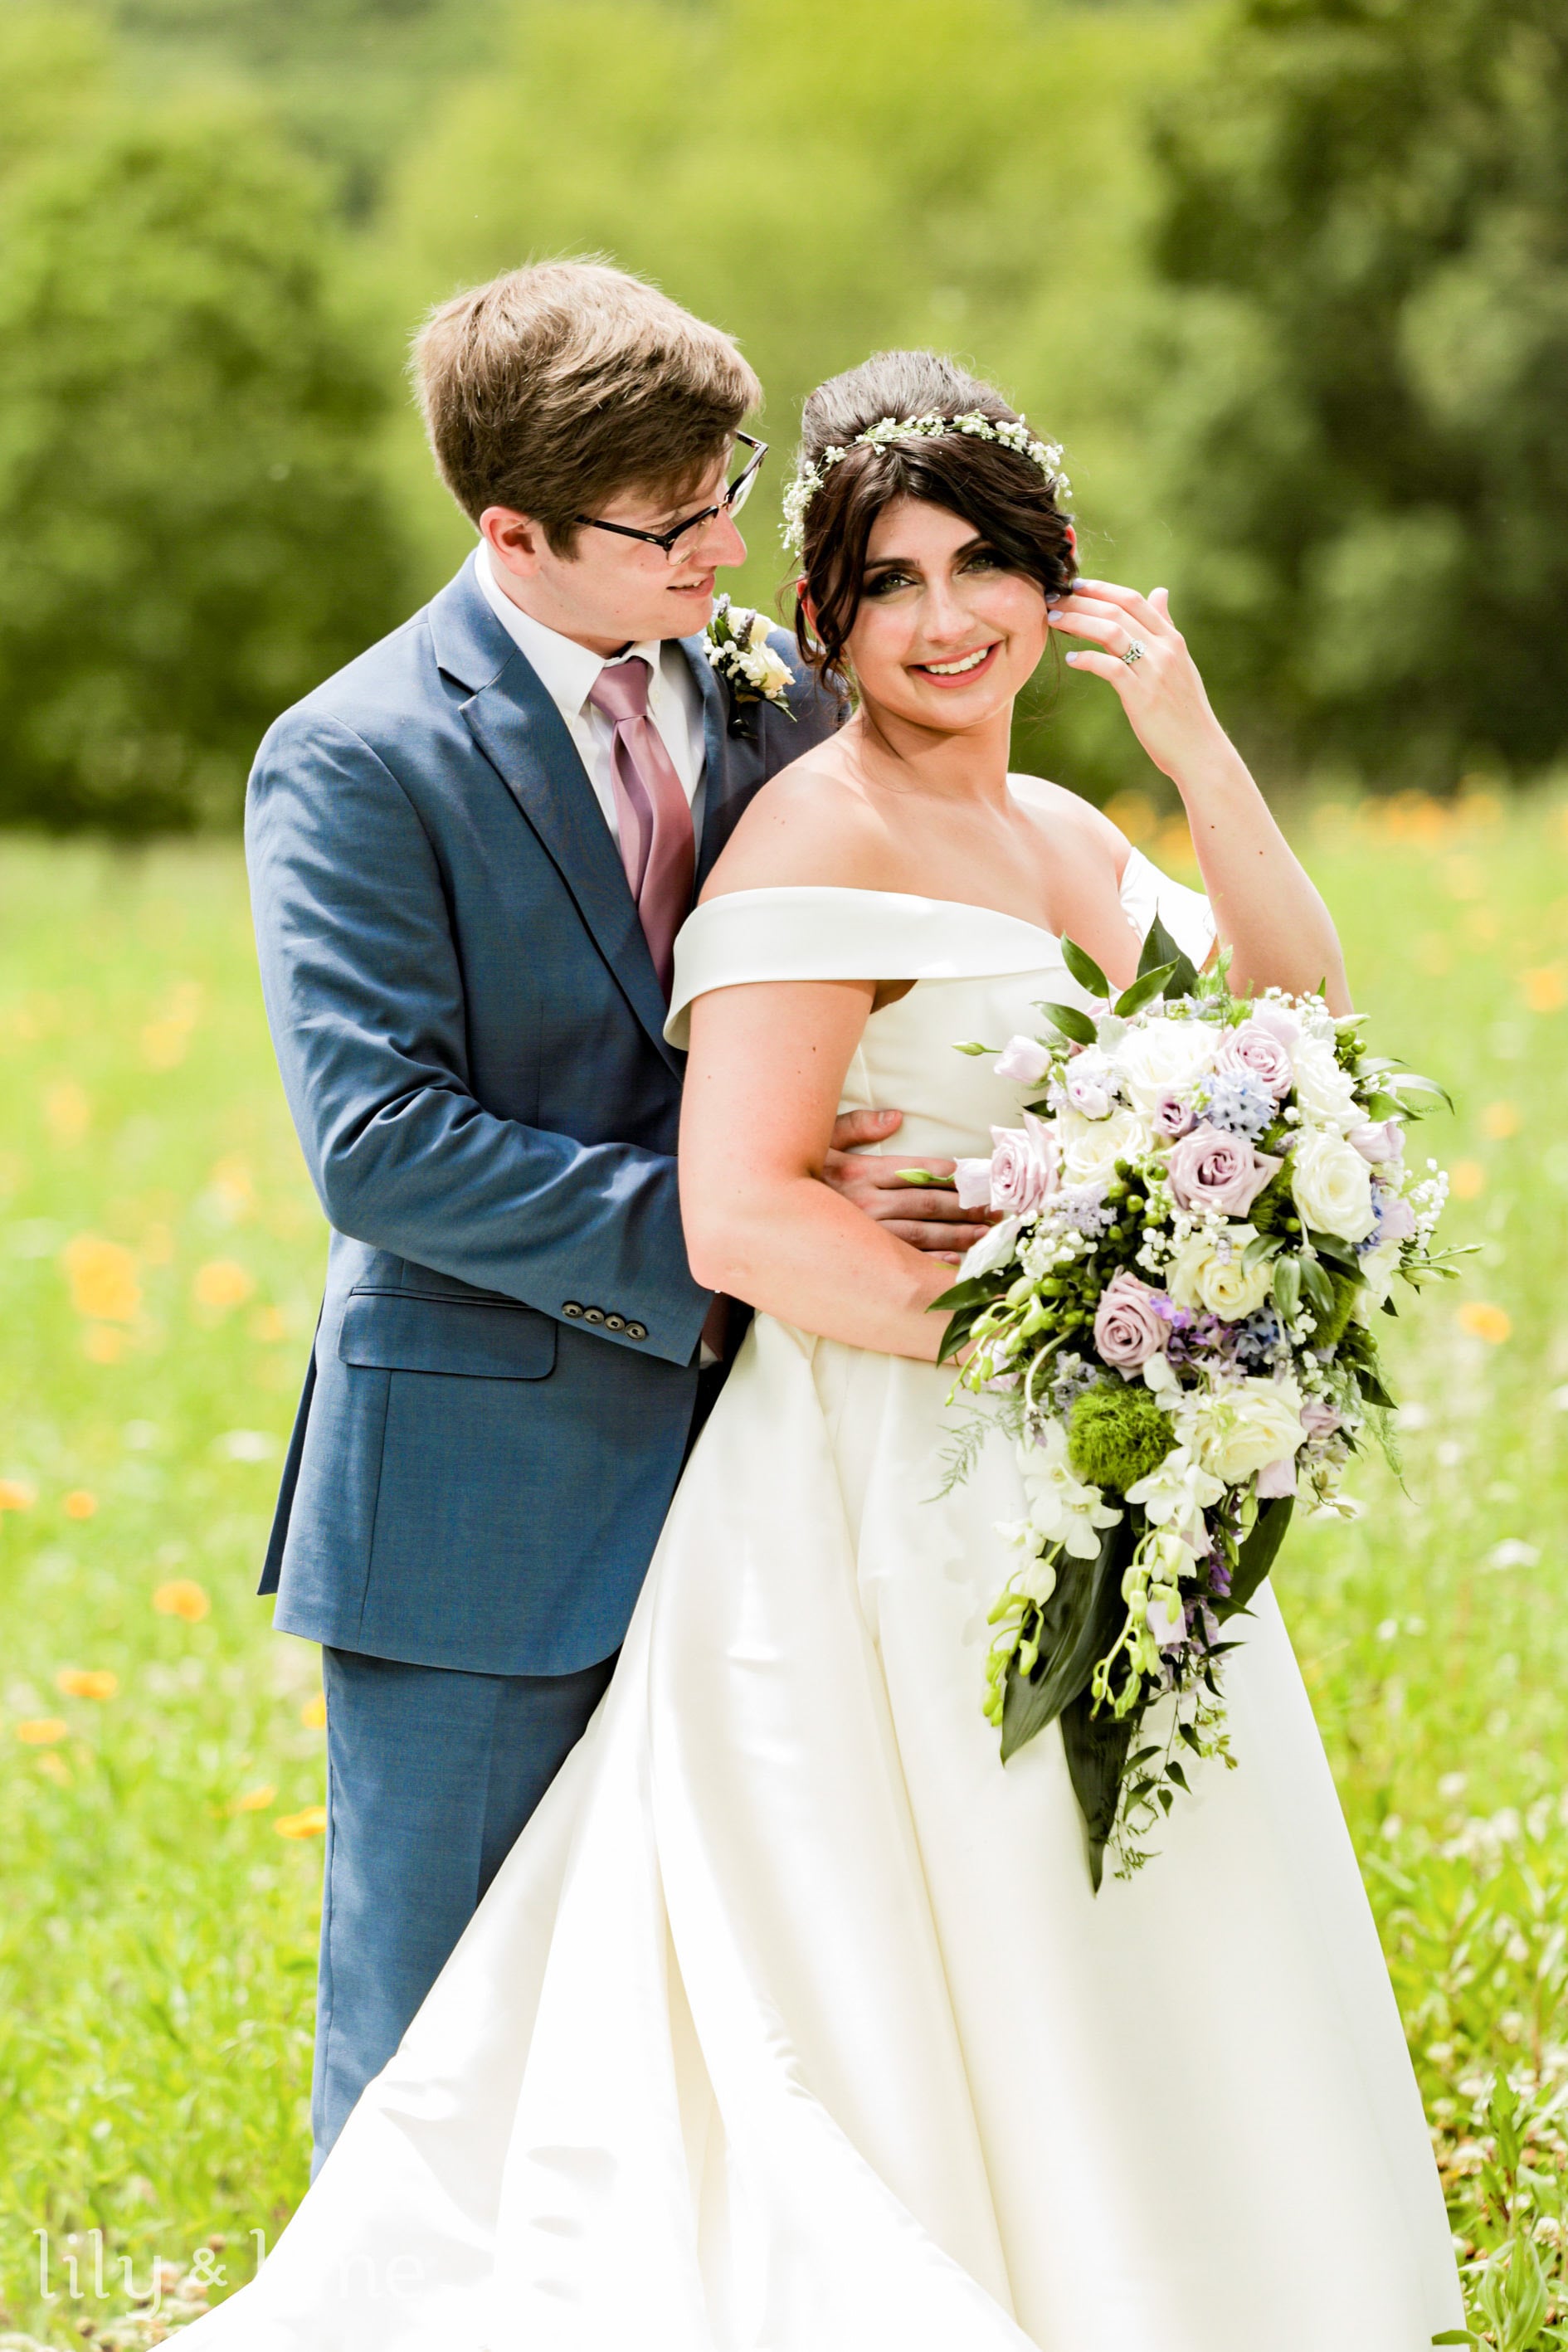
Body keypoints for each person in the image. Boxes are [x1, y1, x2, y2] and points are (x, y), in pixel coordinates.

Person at [188, 351, 1463, 2348]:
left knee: (1109, 1920)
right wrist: (1066, 1328)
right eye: (887, 581)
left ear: (1055, 573)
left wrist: (1199, 745)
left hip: (1093, 1469)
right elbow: (741, 1214)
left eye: (983, 564)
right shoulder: (801, 832)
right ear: (829, 618)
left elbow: (1298, 1017)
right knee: (828, 1960)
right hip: (892, 1466)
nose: (942, 617)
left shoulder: (1057, 821)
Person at [243, 266, 977, 2179]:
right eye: (673, 525)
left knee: (731, 2015)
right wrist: (734, 1222)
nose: (727, 548)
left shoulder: (764, 695)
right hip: (484, 1491)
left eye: (727, 487)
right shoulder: (356, 755)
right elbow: (380, 1146)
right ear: (515, 535)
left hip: (778, 1473)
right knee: (434, 2040)